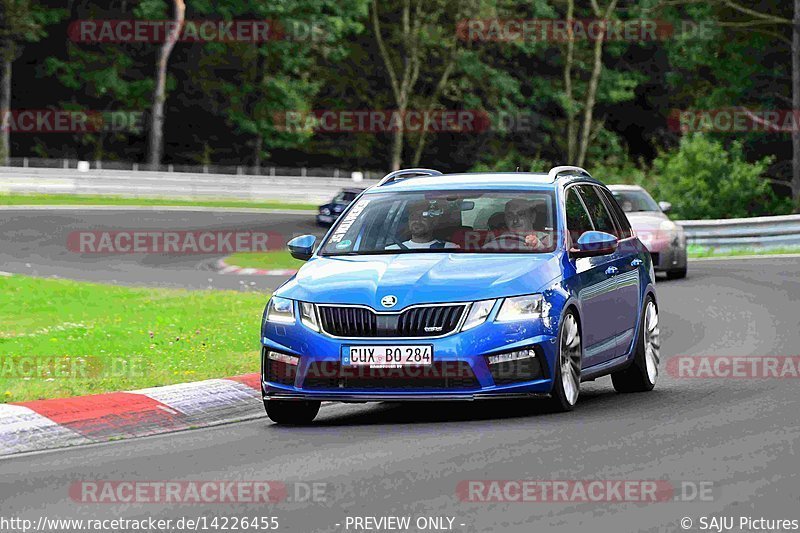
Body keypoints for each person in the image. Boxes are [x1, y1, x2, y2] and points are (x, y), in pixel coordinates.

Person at [385, 200, 459, 250]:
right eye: (413, 217)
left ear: (434, 222)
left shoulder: (449, 248)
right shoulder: (391, 250)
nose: (417, 221)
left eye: (423, 217)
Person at [483, 198, 552, 251]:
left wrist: (538, 246)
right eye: (510, 216)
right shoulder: (497, 241)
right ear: (505, 220)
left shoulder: (548, 240)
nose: (515, 220)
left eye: (521, 214)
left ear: (532, 217)